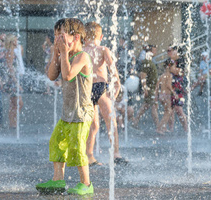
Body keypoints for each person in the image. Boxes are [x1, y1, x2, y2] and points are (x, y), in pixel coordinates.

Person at [36, 18, 94, 195]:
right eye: (56, 36)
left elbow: (68, 75)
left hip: (82, 112)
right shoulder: (65, 56)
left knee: (76, 146)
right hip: (68, 113)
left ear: (75, 37)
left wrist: (63, 52)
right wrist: (57, 54)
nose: (58, 39)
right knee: (56, 142)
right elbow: (52, 76)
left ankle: (86, 183)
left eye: (61, 36)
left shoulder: (83, 57)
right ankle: (58, 180)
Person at [83, 22, 127, 166]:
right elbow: (112, 70)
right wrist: (117, 85)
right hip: (101, 88)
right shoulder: (103, 49)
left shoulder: (81, 51)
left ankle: (89, 156)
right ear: (100, 36)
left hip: (87, 88)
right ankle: (116, 154)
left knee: (93, 124)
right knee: (110, 121)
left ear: (84, 36)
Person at [133, 45, 159, 130]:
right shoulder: (146, 62)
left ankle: (135, 121)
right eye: (153, 51)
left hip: (152, 87)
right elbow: (142, 76)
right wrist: (145, 88)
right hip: (149, 88)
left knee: (145, 106)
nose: (155, 52)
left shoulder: (150, 61)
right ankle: (158, 126)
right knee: (153, 106)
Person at [167, 45, 188, 132]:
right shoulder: (169, 61)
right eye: (167, 51)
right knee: (170, 109)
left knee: (179, 109)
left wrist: (171, 65)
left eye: (170, 50)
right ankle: (171, 129)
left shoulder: (180, 61)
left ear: (176, 51)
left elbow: (177, 71)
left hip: (178, 87)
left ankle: (186, 129)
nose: (168, 53)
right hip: (169, 87)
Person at [4, 34, 23, 129]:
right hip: (12, 81)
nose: (17, 42)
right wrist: (17, 83)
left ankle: (12, 124)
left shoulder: (11, 51)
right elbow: (10, 69)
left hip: (11, 80)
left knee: (13, 104)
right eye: (15, 40)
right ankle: (13, 123)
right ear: (12, 42)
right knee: (19, 103)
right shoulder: (10, 52)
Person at [154, 59, 176, 134]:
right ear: (169, 67)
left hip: (161, 95)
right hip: (166, 95)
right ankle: (159, 128)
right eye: (174, 66)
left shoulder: (162, 75)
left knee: (166, 111)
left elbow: (157, 86)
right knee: (169, 111)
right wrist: (174, 93)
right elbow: (168, 85)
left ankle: (164, 127)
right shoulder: (169, 75)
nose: (174, 68)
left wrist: (156, 97)